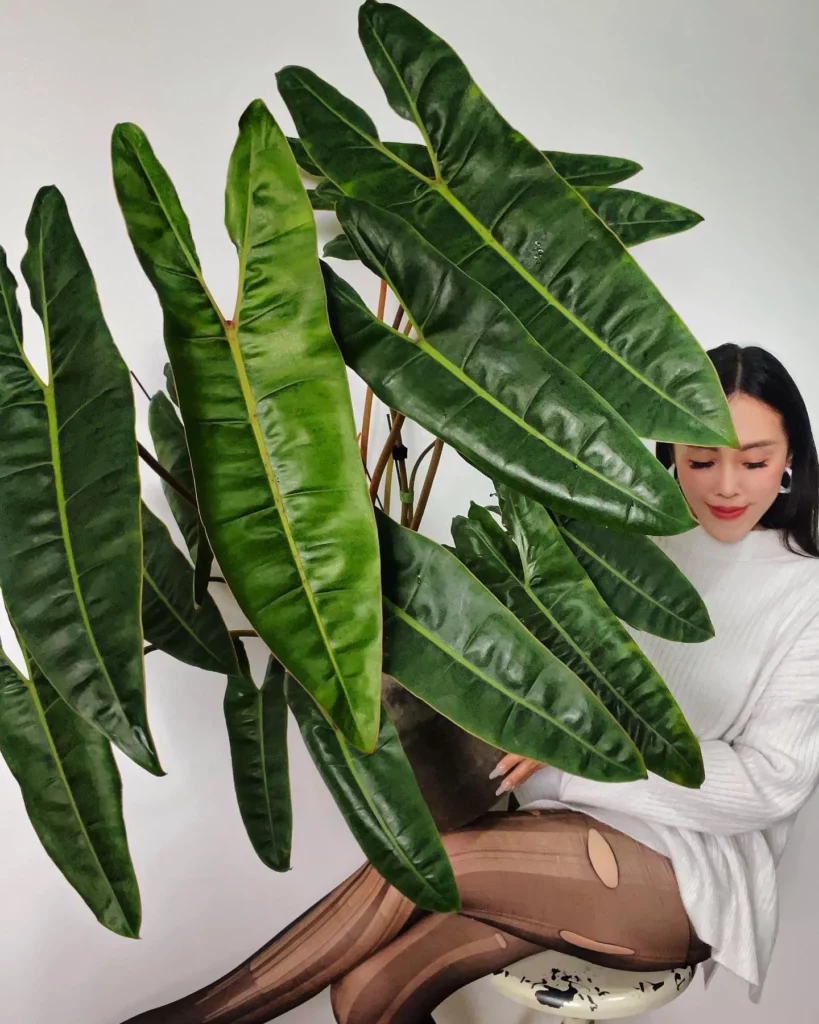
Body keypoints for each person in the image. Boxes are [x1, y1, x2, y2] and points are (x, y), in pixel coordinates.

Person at [122, 344, 819, 1024]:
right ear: (669, 454)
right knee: (366, 995)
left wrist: (587, 756)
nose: (726, 485)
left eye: (755, 460)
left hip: (684, 874)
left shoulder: (804, 592)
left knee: (429, 861)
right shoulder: (620, 544)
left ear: (790, 459)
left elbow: (772, 782)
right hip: (554, 833)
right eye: (701, 459)